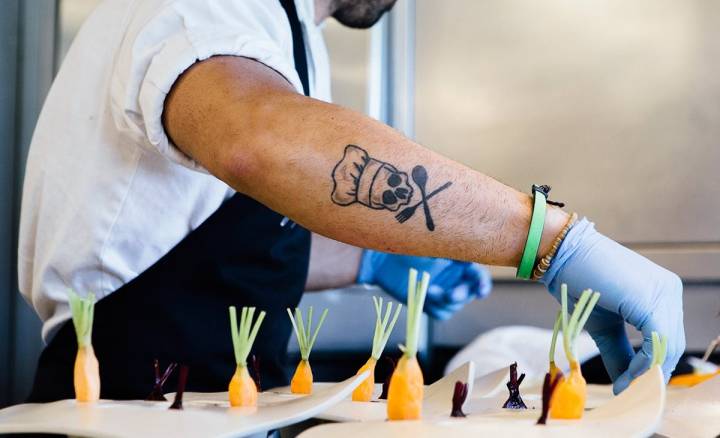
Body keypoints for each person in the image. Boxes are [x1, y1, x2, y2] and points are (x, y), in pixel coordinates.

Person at [18, 0, 683, 402]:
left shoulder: (287, 34)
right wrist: (551, 239)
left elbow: (197, 247)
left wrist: (369, 263)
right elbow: (261, 141)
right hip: (137, 399)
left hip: (222, 399)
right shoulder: (210, 7)